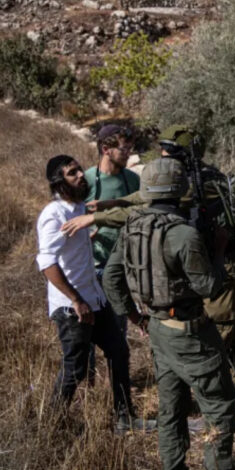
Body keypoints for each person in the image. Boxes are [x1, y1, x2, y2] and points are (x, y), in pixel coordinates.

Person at [62, 125, 235, 421]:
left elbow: (146, 211)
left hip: (220, 268)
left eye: (167, 151)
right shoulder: (209, 176)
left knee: (215, 340)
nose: (162, 155)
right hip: (234, 263)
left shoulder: (191, 186)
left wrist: (98, 217)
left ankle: (217, 411)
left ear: (181, 155)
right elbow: (146, 196)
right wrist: (116, 201)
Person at [102, 157, 235, 470]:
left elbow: (111, 277)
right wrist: (219, 250)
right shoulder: (183, 235)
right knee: (219, 408)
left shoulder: (132, 226)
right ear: (180, 190)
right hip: (191, 332)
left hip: (158, 328)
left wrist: (135, 317)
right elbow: (208, 287)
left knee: (171, 408)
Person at [36, 154, 151, 434]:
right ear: (58, 182)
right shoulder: (54, 214)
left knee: (119, 351)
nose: (80, 176)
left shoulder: (79, 209)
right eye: (72, 173)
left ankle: (124, 418)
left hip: (95, 299)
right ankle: (50, 428)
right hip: (72, 307)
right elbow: (46, 262)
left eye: (79, 170)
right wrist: (76, 300)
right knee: (75, 368)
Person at [84, 124, 141, 385]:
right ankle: (86, 386)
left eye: (130, 148)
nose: (128, 153)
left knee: (117, 330)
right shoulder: (86, 180)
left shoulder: (133, 180)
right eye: (123, 148)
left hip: (121, 266)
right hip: (91, 266)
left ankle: (115, 383)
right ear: (106, 149)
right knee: (85, 330)